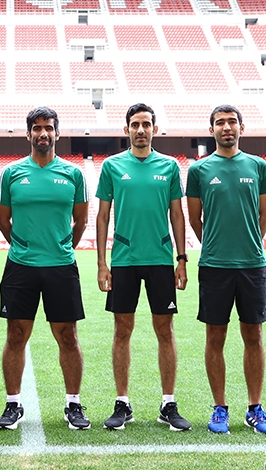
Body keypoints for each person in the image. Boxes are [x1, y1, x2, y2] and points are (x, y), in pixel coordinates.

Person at [0, 106, 91, 430]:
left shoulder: (73, 174)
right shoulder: (11, 173)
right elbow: (2, 220)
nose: (42, 133)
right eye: (36, 128)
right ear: (28, 134)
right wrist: (24, 246)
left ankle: (73, 404)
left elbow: (81, 220)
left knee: (67, 335)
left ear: (57, 133)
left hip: (61, 266)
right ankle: (13, 404)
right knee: (16, 334)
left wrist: (61, 247)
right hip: (21, 266)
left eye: (48, 128)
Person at [96, 103, 191, 432]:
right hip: (123, 262)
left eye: (146, 124)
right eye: (135, 124)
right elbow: (103, 216)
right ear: (126, 130)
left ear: (154, 129)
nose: (140, 130)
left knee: (165, 331)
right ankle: (122, 402)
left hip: (161, 262)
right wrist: (101, 263)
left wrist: (181, 259)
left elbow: (178, 215)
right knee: (122, 331)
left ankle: (168, 403)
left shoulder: (169, 166)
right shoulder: (111, 167)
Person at [186, 105, 266, 435]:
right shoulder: (199, 170)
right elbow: (196, 220)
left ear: (241, 127)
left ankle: (255, 408)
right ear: (211, 130)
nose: (227, 127)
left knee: (253, 335)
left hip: (253, 265)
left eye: (232, 122)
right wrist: (216, 244)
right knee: (215, 337)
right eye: (220, 122)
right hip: (214, 266)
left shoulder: (258, 166)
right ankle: (220, 408)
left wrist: (247, 243)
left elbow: (265, 216)